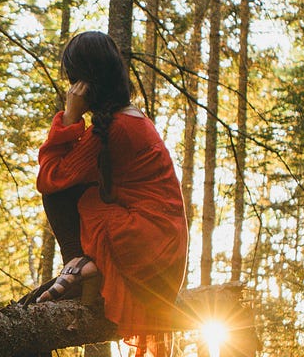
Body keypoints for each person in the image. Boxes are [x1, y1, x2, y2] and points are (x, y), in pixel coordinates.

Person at [27, 30, 189, 348]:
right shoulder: (129, 119)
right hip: (159, 251)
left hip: (145, 247)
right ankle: (82, 264)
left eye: (74, 80)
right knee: (81, 189)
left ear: (86, 83)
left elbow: (50, 177)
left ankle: (78, 263)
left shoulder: (116, 129)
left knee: (64, 189)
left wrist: (70, 115)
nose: (72, 88)